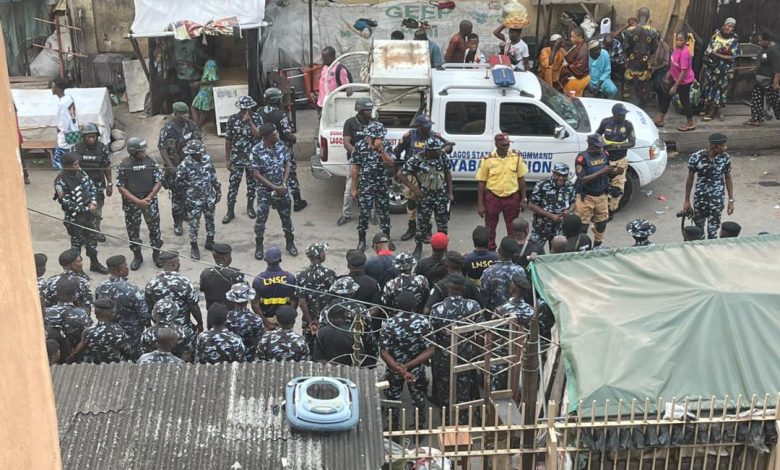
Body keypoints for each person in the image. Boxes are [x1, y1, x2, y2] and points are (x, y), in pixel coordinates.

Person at [393, 113, 453, 243]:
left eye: (429, 125)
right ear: (419, 126)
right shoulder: (409, 136)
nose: (428, 128)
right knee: (411, 201)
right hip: (412, 173)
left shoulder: (434, 136)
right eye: (426, 126)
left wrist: (443, 150)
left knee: (428, 203)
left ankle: (427, 231)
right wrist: (397, 170)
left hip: (429, 175)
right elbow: (397, 152)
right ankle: (411, 228)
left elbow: (449, 146)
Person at [430, 274, 481, 421]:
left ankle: (447, 421)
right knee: (463, 390)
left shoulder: (438, 309)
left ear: (448, 288)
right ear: (463, 288)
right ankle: (462, 421)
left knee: (444, 391)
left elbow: (432, 335)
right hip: (466, 356)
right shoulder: (473, 306)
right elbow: (482, 330)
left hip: (443, 358)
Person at [380, 291, 434, 428]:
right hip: (416, 368)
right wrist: (409, 366)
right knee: (418, 398)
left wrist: (398, 367)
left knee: (393, 398)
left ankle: (393, 427)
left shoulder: (389, 323)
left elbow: (383, 352)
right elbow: (430, 350)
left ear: (397, 304)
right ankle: (419, 427)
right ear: (415, 305)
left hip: (394, 368)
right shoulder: (424, 322)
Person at [398, 137, 454, 259]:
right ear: (428, 151)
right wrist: (414, 189)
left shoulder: (442, 156)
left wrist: (450, 192)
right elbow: (401, 174)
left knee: (442, 225)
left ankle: (443, 248)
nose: (438, 153)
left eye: (438, 150)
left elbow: (447, 173)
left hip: (441, 195)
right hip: (425, 197)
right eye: (435, 151)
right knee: (422, 224)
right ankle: (418, 247)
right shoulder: (417, 159)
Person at [53, 152, 108, 274]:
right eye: (74, 164)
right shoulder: (59, 182)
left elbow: (91, 187)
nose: (77, 166)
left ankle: (94, 264)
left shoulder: (81, 172)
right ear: (66, 166)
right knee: (76, 245)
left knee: (92, 242)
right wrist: (86, 209)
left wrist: (93, 202)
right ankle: (77, 271)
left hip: (89, 216)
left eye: (77, 163)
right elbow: (65, 202)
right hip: (74, 219)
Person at [255, 87, 308, 211]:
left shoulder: (259, 111)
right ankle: (297, 201)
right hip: (281, 148)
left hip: (265, 148)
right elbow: (288, 134)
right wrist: (294, 139)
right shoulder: (281, 114)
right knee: (291, 173)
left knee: (267, 173)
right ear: (277, 101)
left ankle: (270, 200)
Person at [116, 137, 164, 270]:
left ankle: (156, 254)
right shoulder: (124, 165)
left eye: (144, 151)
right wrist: (137, 201)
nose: (144, 153)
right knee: (133, 232)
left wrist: (148, 198)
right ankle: (137, 256)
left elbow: (158, 182)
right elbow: (121, 187)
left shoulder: (151, 162)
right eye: (141, 151)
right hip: (132, 204)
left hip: (149, 202)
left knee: (155, 229)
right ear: (133, 152)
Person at [251, 123, 298, 259]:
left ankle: (290, 243)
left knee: (286, 217)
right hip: (265, 191)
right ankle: (259, 246)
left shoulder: (281, 146)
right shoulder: (256, 150)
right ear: (267, 137)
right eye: (274, 134)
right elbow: (256, 173)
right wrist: (274, 188)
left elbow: (287, 164)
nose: (277, 135)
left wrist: (282, 184)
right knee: (261, 218)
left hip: (282, 188)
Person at [476, 133, 528, 250]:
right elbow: (481, 183)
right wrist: (480, 204)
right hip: (493, 197)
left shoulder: (516, 156)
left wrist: (524, 199)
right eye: (504, 145)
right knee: (490, 228)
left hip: (512, 197)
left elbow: (521, 179)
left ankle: (510, 251)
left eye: (508, 144)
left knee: (512, 228)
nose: (507, 146)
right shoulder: (487, 159)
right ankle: (490, 252)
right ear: (497, 145)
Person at [158, 101, 201, 235]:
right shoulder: (168, 129)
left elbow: (199, 142)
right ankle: (178, 223)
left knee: (190, 193)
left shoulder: (191, 125)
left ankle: (186, 213)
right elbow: (162, 148)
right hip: (176, 166)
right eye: (182, 114)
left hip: (190, 165)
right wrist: (170, 167)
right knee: (177, 196)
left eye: (187, 112)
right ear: (175, 114)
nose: (186, 115)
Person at [351, 121, 395, 251]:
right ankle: (362, 240)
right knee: (364, 213)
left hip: (382, 184)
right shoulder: (360, 146)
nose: (379, 139)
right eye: (377, 137)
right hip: (366, 185)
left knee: (385, 214)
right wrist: (354, 187)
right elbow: (355, 167)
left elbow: (390, 163)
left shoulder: (386, 145)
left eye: (381, 137)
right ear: (369, 136)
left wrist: (381, 151)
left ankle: (387, 239)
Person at [176, 139, 221, 260]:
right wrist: (186, 196)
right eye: (198, 152)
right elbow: (178, 182)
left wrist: (218, 190)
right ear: (192, 153)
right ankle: (194, 246)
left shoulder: (207, 159)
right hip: (194, 200)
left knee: (210, 220)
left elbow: (213, 176)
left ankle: (210, 241)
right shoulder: (185, 164)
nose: (201, 153)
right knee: (194, 224)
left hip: (209, 197)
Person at [683, 133, 735, 239]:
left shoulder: (725, 157)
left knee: (713, 232)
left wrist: (731, 201)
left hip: (717, 200)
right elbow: (690, 179)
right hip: (700, 200)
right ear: (713, 147)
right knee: (698, 231)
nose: (725, 148)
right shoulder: (696, 157)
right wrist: (687, 201)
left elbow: (728, 178)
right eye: (723, 146)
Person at [145, 251, 203, 341]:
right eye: (178, 262)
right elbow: (194, 307)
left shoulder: (151, 283)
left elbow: (149, 308)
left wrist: (155, 324)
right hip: (183, 329)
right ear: (174, 264)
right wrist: (200, 323)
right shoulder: (185, 282)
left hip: (162, 331)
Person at [575, 135, 621, 247]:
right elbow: (582, 179)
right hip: (586, 197)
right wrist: (602, 171)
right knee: (582, 226)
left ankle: (597, 245)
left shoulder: (604, 154)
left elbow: (609, 173)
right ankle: (582, 246)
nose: (600, 148)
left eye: (601, 146)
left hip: (602, 195)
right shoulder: (581, 158)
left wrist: (616, 172)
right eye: (597, 146)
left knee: (601, 223)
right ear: (590, 145)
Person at [95, 255, 150, 348]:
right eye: (126, 265)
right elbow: (143, 313)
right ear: (120, 270)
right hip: (131, 331)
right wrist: (148, 327)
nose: (127, 268)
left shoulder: (100, 287)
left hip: (109, 330)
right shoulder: (131, 289)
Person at [490, 272, 534, 390]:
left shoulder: (501, 310)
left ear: (513, 288)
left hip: (502, 360)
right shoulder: (532, 311)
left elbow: (491, 336)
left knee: (497, 396)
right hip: (524, 359)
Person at [223, 96, 261, 223]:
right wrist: (227, 159)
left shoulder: (256, 118)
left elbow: (258, 135)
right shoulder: (232, 119)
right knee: (233, 185)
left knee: (251, 185)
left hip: (251, 158)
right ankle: (230, 211)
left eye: (248, 108)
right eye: (244, 108)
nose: (246, 110)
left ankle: (250, 207)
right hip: (237, 158)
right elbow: (228, 140)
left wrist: (249, 122)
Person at [73, 122, 111, 242]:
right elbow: (70, 167)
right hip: (80, 185)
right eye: (88, 136)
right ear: (83, 137)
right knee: (82, 209)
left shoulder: (102, 148)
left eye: (93, 136)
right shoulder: (76, 148)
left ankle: (96, 230)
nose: (91, 139)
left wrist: (110, 184)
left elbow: (106, 166)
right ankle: (83, 233)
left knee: (97, 209)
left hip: (97, 183)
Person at [296, 242, 337, 352]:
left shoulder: (301, 275)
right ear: (318, 255)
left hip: (309, 321)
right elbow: (334, 298)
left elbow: (302, 301)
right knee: (328, 349)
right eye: (323, 252)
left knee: (310, 349)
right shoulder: (330, 274)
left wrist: (310, 322)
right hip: (328, 319)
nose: (325, 254)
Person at [596, 103, 636, 216]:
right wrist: (601, 144)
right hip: (605, 158)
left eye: (624, 115)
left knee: (617, 188)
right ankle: (600, 209)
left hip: (620, 159)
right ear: (614, 114)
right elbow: (597, 134)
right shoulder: (605, 122)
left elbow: (632, 142)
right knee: (601, 184)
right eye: (620, 115)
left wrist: (616, 146)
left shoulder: (628, 125)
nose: (623, 117)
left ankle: (611, 210)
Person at [339, 98, 374, 226]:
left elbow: (378, 141)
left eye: (371, 110)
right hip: (354, 160)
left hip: (371, 162)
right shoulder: (350, 123)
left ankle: (371, 214)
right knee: (349, 188)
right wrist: (358, 154)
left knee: (371, 188)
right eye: (367, 110)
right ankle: (346, 215)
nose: (370, 112)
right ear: (359, 110)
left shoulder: (374, 123)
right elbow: (346, 142)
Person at [68, 298, 135, 364]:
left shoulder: (88, 332)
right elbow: (128, 352)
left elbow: (78, 350)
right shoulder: (120, 333)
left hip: (93, 367)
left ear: (96, 314)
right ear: (112, 313)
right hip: (116, 367)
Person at [700, 18, 739, 122]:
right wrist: (709, 57)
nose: (729, 28)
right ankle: (707, 107)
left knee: (718, 89)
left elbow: (731, 57)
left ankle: (713, 111)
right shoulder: (715, 36)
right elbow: (708, 50)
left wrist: (715, 54)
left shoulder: (733, 41)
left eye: (732, 27)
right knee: (709, 86)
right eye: (728, 25)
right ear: (724, 25)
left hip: (722, 70)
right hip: (711, 67)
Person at [528, 162, 576, 245]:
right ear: (553, 173)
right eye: (558, 175)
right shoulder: (542, 184)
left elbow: (573, 203)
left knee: (557, 253)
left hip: (560, 227)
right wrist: (551, 216)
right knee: (534, 251)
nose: (561, 178)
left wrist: (569, 211)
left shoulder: (570, 186)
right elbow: (532, 205)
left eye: (564, 176)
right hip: (542, 225)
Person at [655, 32, 696, 131]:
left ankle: (690, 123)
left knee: (684, 101)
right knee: (666, 96)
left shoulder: (685, 53)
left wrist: (675, 86)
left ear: (685, 41)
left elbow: (684, 71)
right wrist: (669, 73)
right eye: (677, 39)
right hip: (674, 77)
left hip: (683, 81)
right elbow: (673, 63)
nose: (678, 42)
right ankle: (660, 119)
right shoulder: (677, 48)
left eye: (681, 40)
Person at [252, 246, 297, 331]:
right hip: (285, 321)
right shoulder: (290, 278)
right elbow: (294, 300)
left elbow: (255, 305)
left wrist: (267, 323)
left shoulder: (258, 280)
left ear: (266, 260)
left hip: (267, 319)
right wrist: (288, 318)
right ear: (280, 260)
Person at [621, 8, 660, 104]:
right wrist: (646, 56)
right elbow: (654, 48)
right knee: (643, 83)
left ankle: (628, 101)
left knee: (628, 82)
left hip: (631, 63)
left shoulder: (629, 30)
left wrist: (629, 55)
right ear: (648, 16)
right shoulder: (653, 32)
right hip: (644, 63)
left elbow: (625, 47)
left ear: (638, 16)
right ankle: (642, 102)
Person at [44, 278, 92, 349]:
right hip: (73, 353)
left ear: (57, 293)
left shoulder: (46, 312)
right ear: (74, 295)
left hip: (51, 350)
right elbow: (86, 336)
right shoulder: (81, 314)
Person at [480, 237, 526, 311]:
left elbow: (484, 298)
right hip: (515, 311)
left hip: (495, 315)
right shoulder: (520, 270)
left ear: (498, 250)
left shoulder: (488, 272)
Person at [746, 30, 780, 126]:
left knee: (775, 102)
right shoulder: (764, 48)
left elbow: (777, 69)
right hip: (759, 80)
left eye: (760, 41)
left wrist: (776, 83)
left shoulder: (774, 50)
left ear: (768, 40)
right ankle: (756, 119)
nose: (758, 42)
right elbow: (763, 62)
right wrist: (756, 67)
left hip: (769, 81)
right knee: (756, 99)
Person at [225, 283, 265, 361]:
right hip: (250, 358)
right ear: (248, 299)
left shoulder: (225, 318)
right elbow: (259, 341)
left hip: (230, 358)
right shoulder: (256, 319)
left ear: (233, 300)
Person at [199, 244, 244, 309]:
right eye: (230, 256)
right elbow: (243, 295)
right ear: (226, 258)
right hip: (230, 311)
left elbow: (202, 288)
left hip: (212, 311)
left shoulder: (205, 273)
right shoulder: (235, 274)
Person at [51, 77, 78, 170]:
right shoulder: (69, 98)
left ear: (58, 89)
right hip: (74, 131)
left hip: (66, 136)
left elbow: (64, 121)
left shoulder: (62, 103)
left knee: (59, 162)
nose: (52, 89)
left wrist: (60, 129)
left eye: (53, 87)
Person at [191, 58, 218, 130]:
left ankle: (197, 127)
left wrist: (198, 83)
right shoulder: (211, 63)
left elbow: (210, 79)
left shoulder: (210, 62)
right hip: (207, 91)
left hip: (205, 91)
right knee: (204, 110)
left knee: (194, 107)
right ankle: (198, 127)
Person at [562, 28, 590, 97]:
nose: (571, 39)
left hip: (578, 76)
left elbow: (580, 66)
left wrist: (567, 65)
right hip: (571, 70)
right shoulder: (578, 44)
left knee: (571, 96)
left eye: (573, 37)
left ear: (579, 37)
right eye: (571, 37)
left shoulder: (583, 50)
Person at [650, 36, 671, 107]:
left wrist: (655, 68)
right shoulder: (649, 44)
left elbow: (666, 62)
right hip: (650, 66)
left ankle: (662, 102)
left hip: (660, 68)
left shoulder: (665, 47)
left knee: (657, 85)